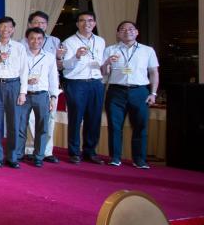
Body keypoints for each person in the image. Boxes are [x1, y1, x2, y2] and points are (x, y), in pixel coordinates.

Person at [101, 21, 159, 169]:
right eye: (123, 29)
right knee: (114, 126)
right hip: (116, 91)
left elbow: (153, 72)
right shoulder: (110, 50)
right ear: (118, 33)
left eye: (131, 29)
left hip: (139, 91)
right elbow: (104, 73)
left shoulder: (147, 50)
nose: (127, 32)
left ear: (137, 32)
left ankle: (139, 159)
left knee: (140, 126)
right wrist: (107, 62)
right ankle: (115, 157)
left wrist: (153, 93)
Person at [61, 11, 106, 164]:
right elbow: (64, 65)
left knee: (94, 118)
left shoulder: (100, 41)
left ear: (94, 23)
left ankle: (90, 151)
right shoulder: (69, 42)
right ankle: (74, 152)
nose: (86, 23)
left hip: (95, 82)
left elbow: (100, 62)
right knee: (76, 118)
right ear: (77, 24)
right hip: (76, 83)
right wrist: (77, 56)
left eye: (90, 20)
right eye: (82, 21)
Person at [21, 11, 64, 163]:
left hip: (44, 91)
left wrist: (53, 95)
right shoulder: (21, 45)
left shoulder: (54, 42)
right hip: (25, 92)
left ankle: (45, 152)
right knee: (26, 122)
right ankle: (28, 149)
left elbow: (55, 71)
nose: (40, 26)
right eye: (36, 23)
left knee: (46, 122)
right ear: (29, 25)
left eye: (43, 23)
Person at [0, 16, 28, 169]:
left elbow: (24, 71)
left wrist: (23, 92)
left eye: (9, 27)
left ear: (13, 29)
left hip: (14, 85)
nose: (5, 29)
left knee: (14, 122)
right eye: (2, 26)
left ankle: (12, 157)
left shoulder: (19, 47)